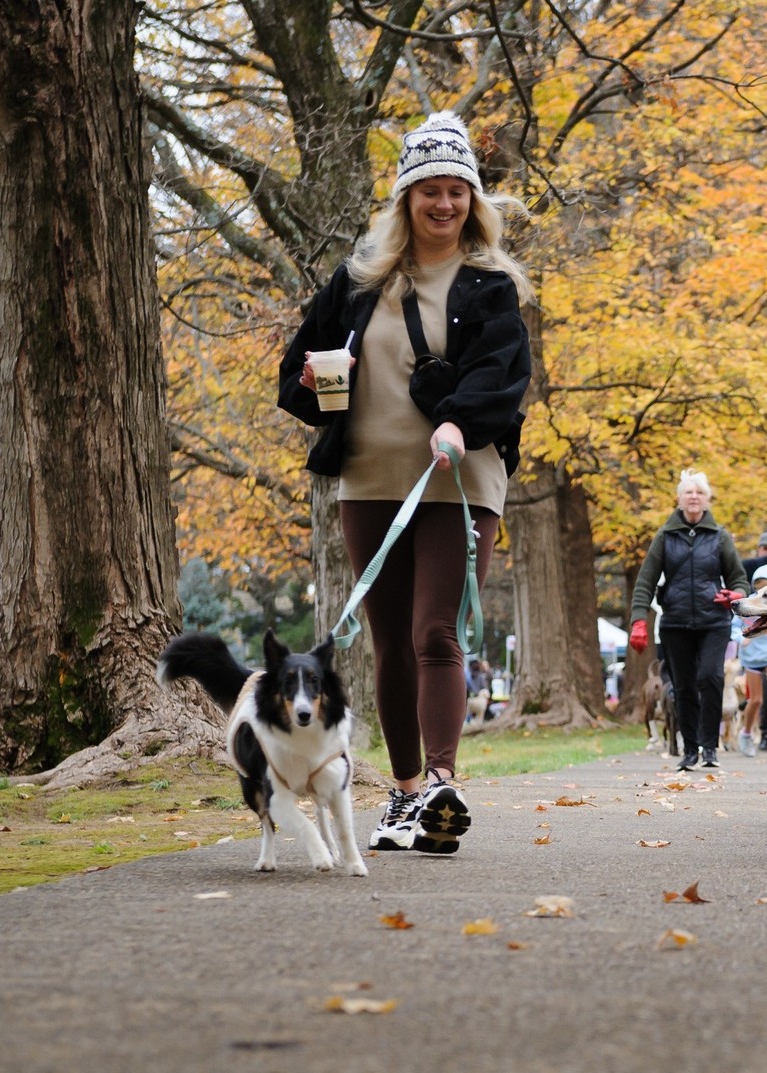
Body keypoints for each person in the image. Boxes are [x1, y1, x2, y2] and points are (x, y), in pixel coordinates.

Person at [276, 112, 533, 855]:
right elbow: (300, 372)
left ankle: (443, 785)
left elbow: (502, 374)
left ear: (473, 199)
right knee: (388, 643)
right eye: (430, 190)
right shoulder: (359, 281)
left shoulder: (489, 286)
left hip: (458, 477)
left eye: (457, 190)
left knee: (434, 632)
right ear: (406, 198)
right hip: (369, 479)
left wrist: (456, 421)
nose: (444, 203)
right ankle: (406, 792)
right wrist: (314, 383)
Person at [629, 469, 750, 771]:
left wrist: (736, 595)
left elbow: (739, 579)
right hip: (675, 622)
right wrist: (638, 620)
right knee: (683, 686)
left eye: (699, 492)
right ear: (679, 499)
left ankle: (710, 748)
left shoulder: (720, 536)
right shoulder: (665, 536)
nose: (694, 497)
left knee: (710, 677)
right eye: (688, 492)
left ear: (707, 499)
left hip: (714, 622)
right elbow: (645, 581)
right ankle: (690, 750)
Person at [736, 564, 767, 754]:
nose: (761, 590)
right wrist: (741, 638)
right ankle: (746, 734)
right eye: (758, 586)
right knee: (755, 700)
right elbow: (734, 626)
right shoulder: (749, 602)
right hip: (752, 657)